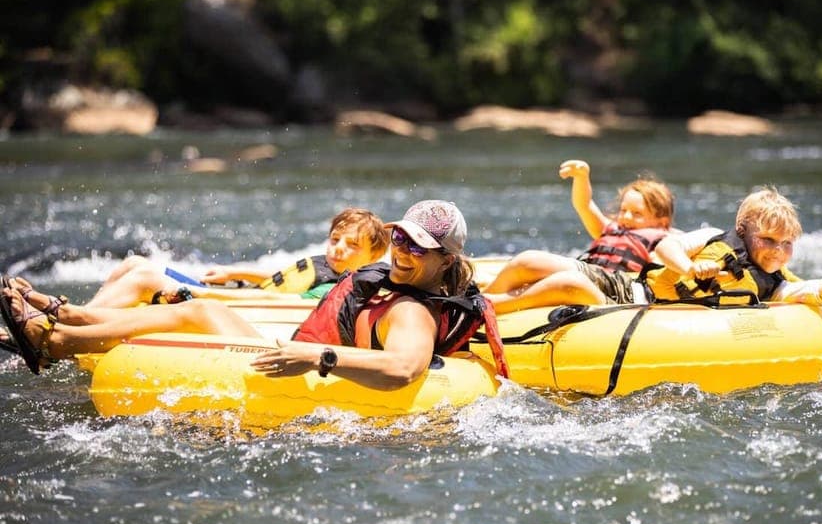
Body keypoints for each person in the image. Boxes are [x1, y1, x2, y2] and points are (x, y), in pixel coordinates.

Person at [1, 201, 507, 387]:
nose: (400, 251)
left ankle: (57, 341)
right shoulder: (410, 283)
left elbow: (403, 369)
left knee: (197, 313)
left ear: (445, 258)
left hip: (305, 366)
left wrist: (316, 356)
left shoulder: (413, 312)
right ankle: (65, 325)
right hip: (301, 355)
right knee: (200, 308)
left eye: (417, 246)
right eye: (399, 237)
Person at [84, 208, 389, 308]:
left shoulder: (339, 287)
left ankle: (74, 323)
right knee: (135, 262)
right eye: (335, 240)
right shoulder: (325, 266)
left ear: (373, 256)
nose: (338, 249)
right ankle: (83, 313)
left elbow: (282, 302)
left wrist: (210, 293)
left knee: (145, 277)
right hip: (235, 293)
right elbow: (280, 280)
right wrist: (233, 273)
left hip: (231, 306)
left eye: (352, 246)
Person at [643, 186, 822, 304]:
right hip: (636, 295)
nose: (777, 250)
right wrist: (689, 268)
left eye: (787, 243)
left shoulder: (776, 286)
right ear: (742, 230)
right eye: (768, 239)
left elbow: (821, 290)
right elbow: (666, 247)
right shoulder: (713, 236)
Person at [483, 159, 675, 314]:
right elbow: (584, 205)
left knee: (561, 279)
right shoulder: (609, 228)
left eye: (637, 213)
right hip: (588, 274)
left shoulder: (664, 241)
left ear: (662, 222)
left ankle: (482, 307)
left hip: (611, 294)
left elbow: (669, 264)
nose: (626, 217)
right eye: (623, 210)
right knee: (525, 262)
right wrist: (582, 177)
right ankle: (480, 301)